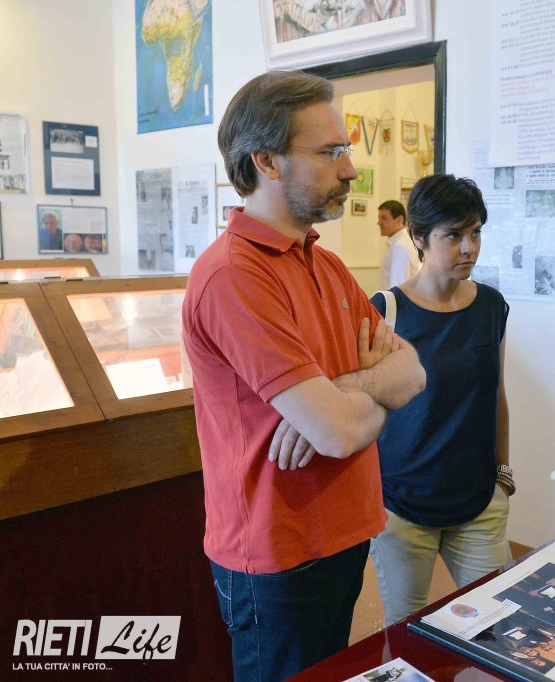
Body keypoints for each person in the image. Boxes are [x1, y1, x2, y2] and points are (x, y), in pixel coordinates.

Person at [182, 70, 425, 681]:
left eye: (346, 150)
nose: (350, 170)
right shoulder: (234, 276)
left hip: (343, 530)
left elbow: (412, 371)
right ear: (266, 161)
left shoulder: (327, 265)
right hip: (278, 550)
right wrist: (354, 400)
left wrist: (346, 390)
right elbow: (339, 434)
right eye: (330, 152)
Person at [369, 174, 513, 626]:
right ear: (419, 238)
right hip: (402, 504)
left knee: (501, 626)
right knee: (406, 630)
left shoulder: (491, 306)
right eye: (453, 235)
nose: (469, 247)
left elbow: (496, 393)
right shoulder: (386, 310)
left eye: (476, 233)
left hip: (478, 501)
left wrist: (503, 476)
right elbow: (364, 407)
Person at [376, 199, 419, 289]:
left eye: (384, 218)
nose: (379, 223)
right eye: (379, 218)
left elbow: (398, 288)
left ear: (399, 220)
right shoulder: (402, 242)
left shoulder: (400, 246)